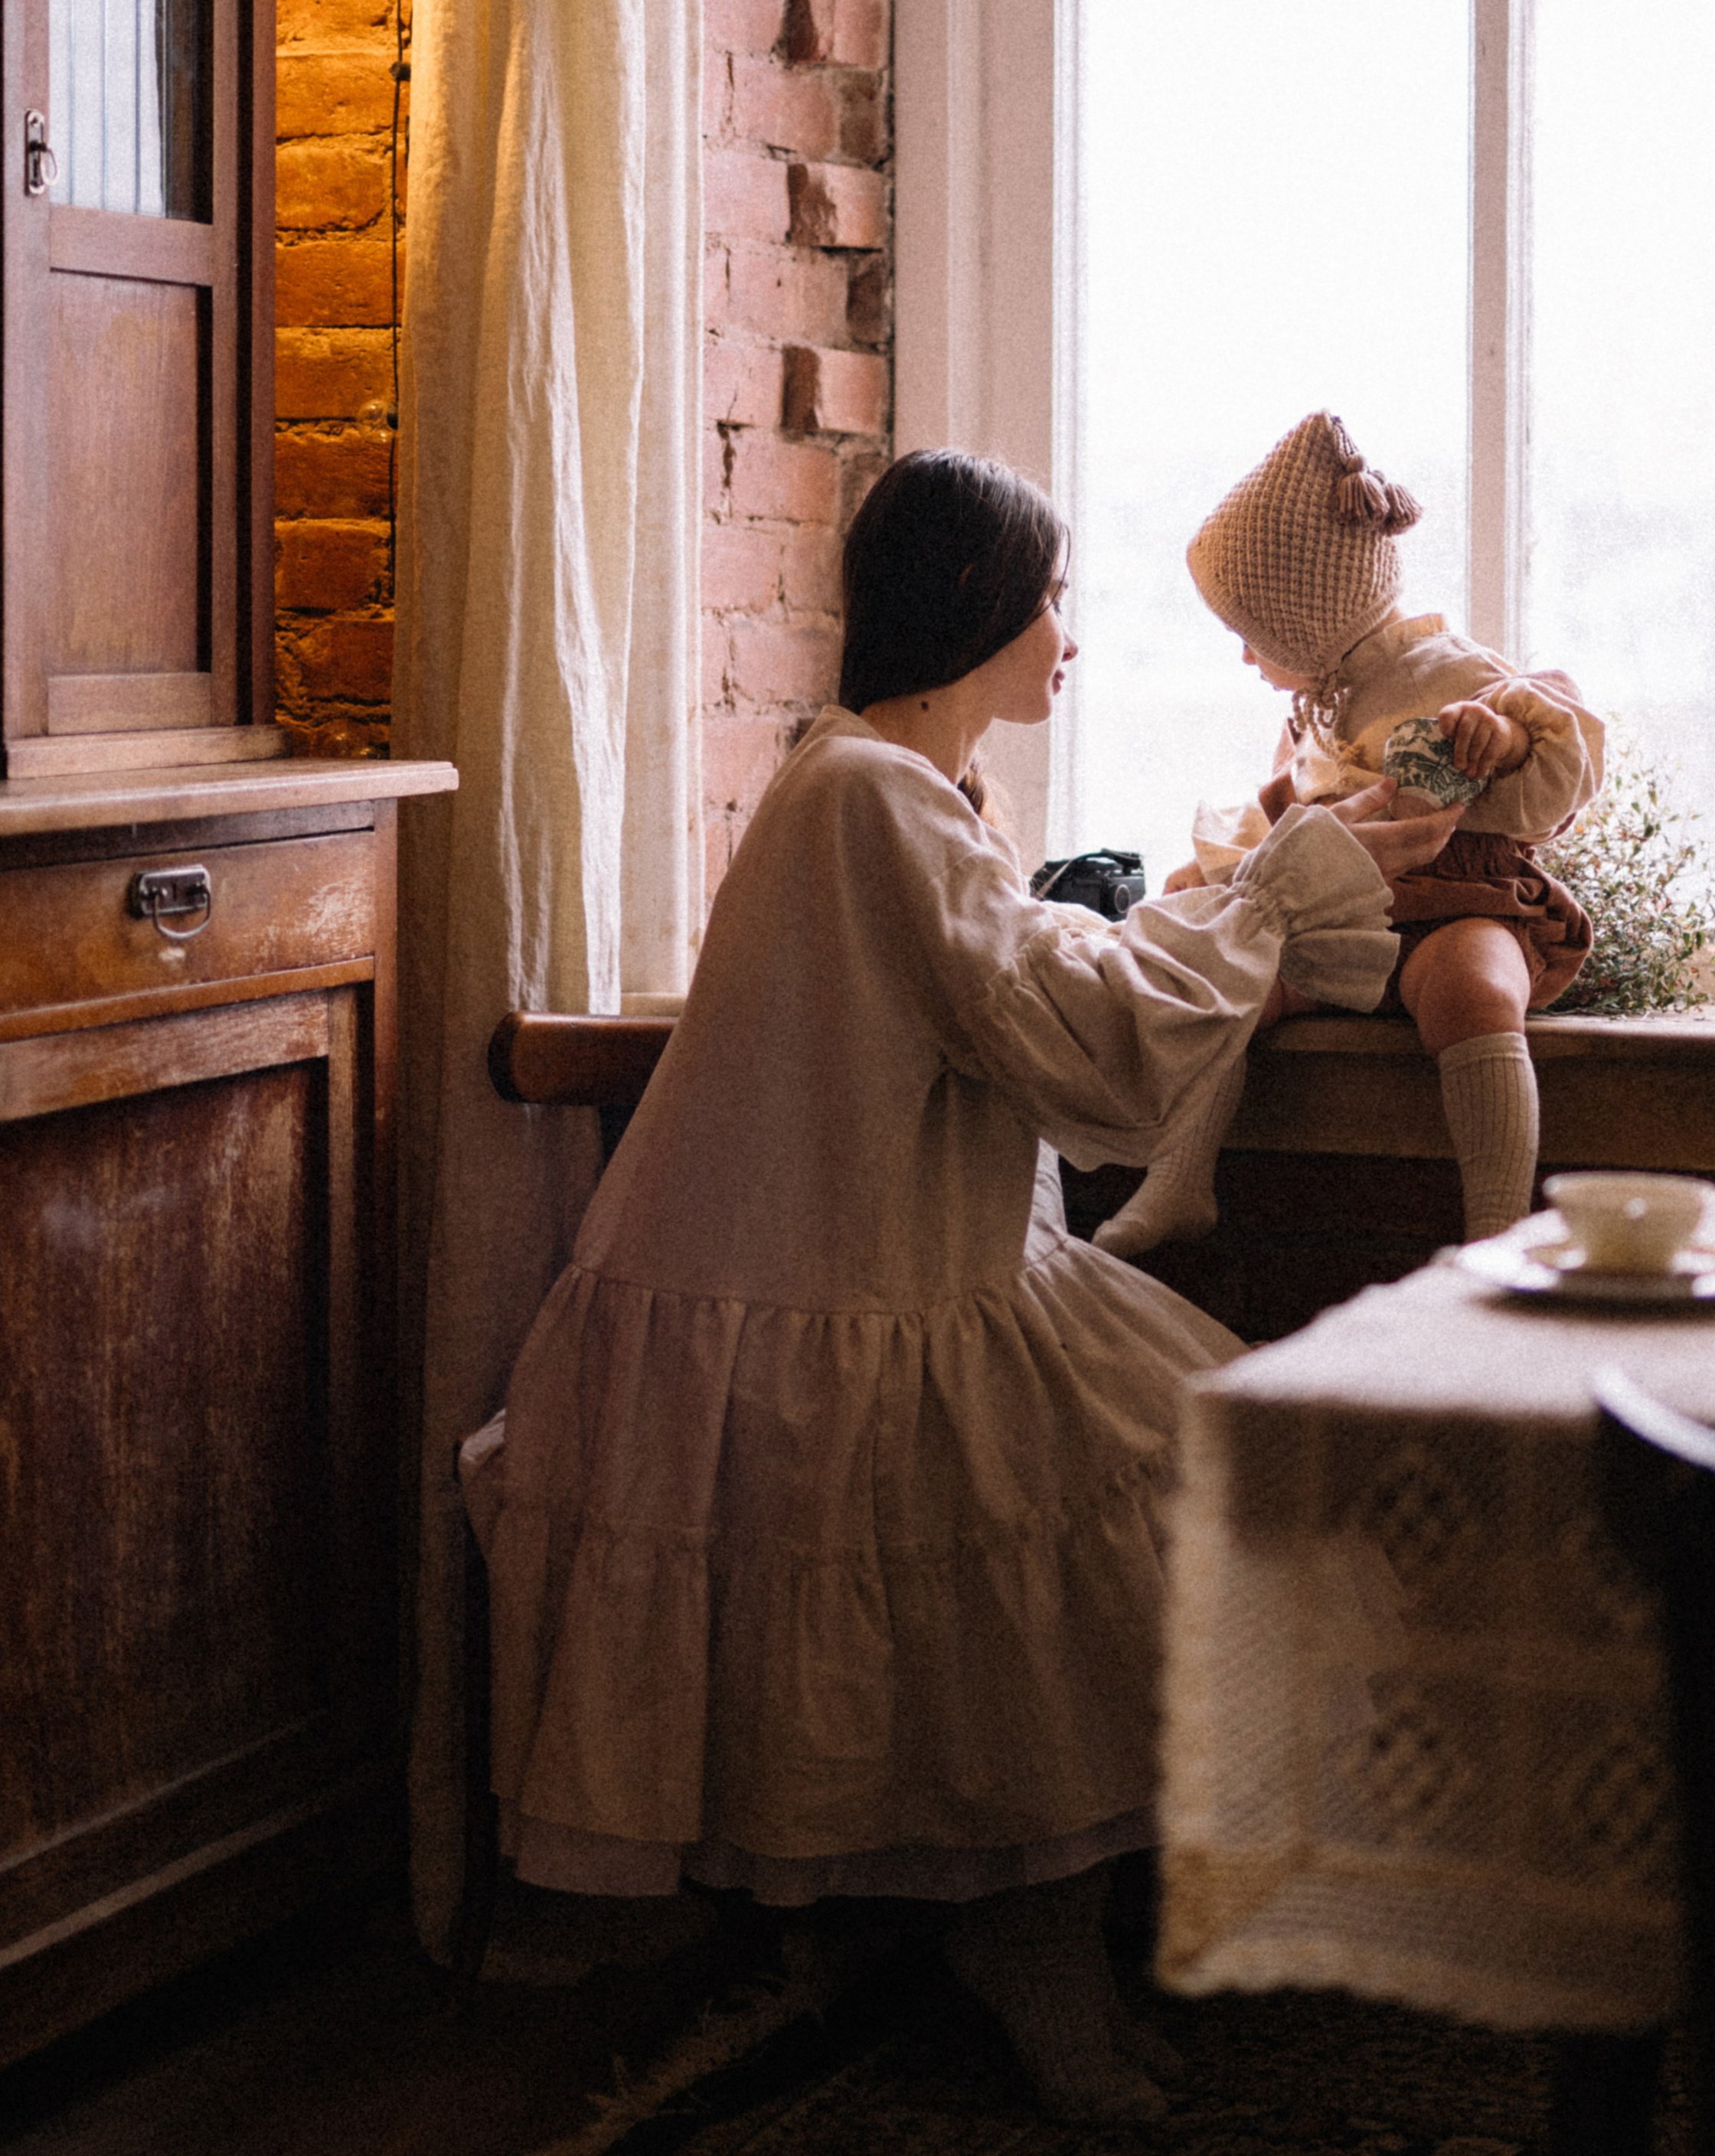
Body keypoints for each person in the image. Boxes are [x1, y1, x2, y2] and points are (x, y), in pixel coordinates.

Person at [462, 449, 1455, 2122]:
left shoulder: (905, 792)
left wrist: (1254, 883)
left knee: (1090, 1566)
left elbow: (1027, 979)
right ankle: (1029, 1960)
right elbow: (1071, 1050)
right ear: (982, 606)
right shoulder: (865, 796)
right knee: (1067, 1587)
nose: (1068, 635)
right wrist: (1283, 890)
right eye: (1052, 598)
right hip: (835, 1293)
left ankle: (1016, 1951)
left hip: (912, 1272)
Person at [1094, 411, 1604, 1260]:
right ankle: (1179, 1180)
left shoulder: (1455, 671)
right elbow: (1294, 827)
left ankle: (1497, 1230)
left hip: (1455, 901)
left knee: (1476, 990)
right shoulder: (1316, 711)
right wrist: (1222, 876)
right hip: (1338, 914)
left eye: (1250, 636)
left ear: (1305, 618)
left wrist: (1504, 738)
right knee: (1233, 979)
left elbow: (1569, 762)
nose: (1246, 659)